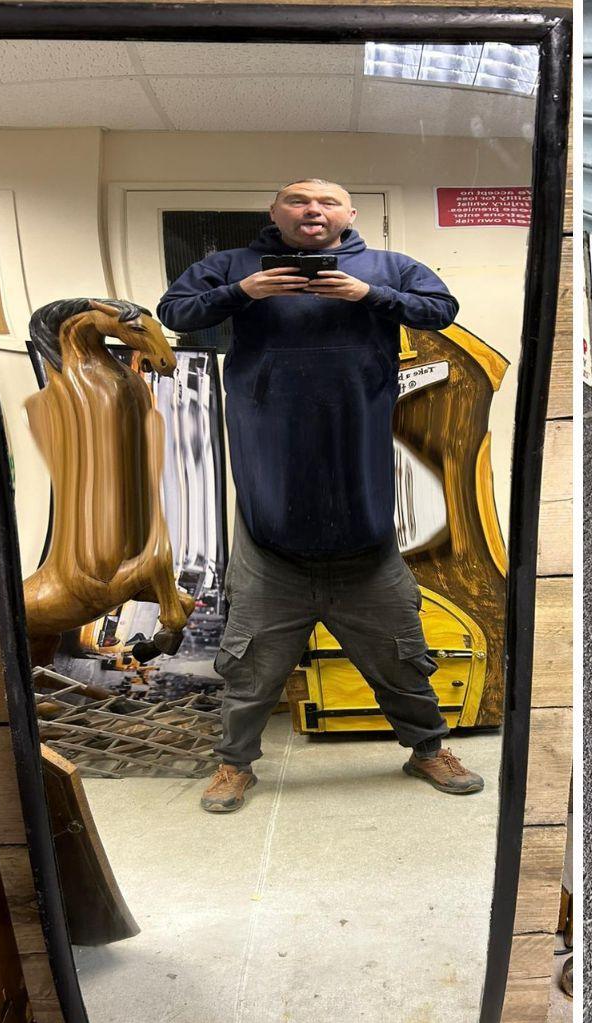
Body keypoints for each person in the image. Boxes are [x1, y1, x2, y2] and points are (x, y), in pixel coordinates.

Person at [156, 178, 484, 814]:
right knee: (249, 668)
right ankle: (233, 766)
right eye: (299, 200)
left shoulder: (389, 267)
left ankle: (427, 750)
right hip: (268, 522)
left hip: (362, 522)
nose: (313, 210)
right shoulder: (233, 266)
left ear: (350, 215)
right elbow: (174, 311)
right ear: (275, 213)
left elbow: (441, 308)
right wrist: (242, 292)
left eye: (327, 201)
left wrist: (370, 294)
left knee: (401, 659)